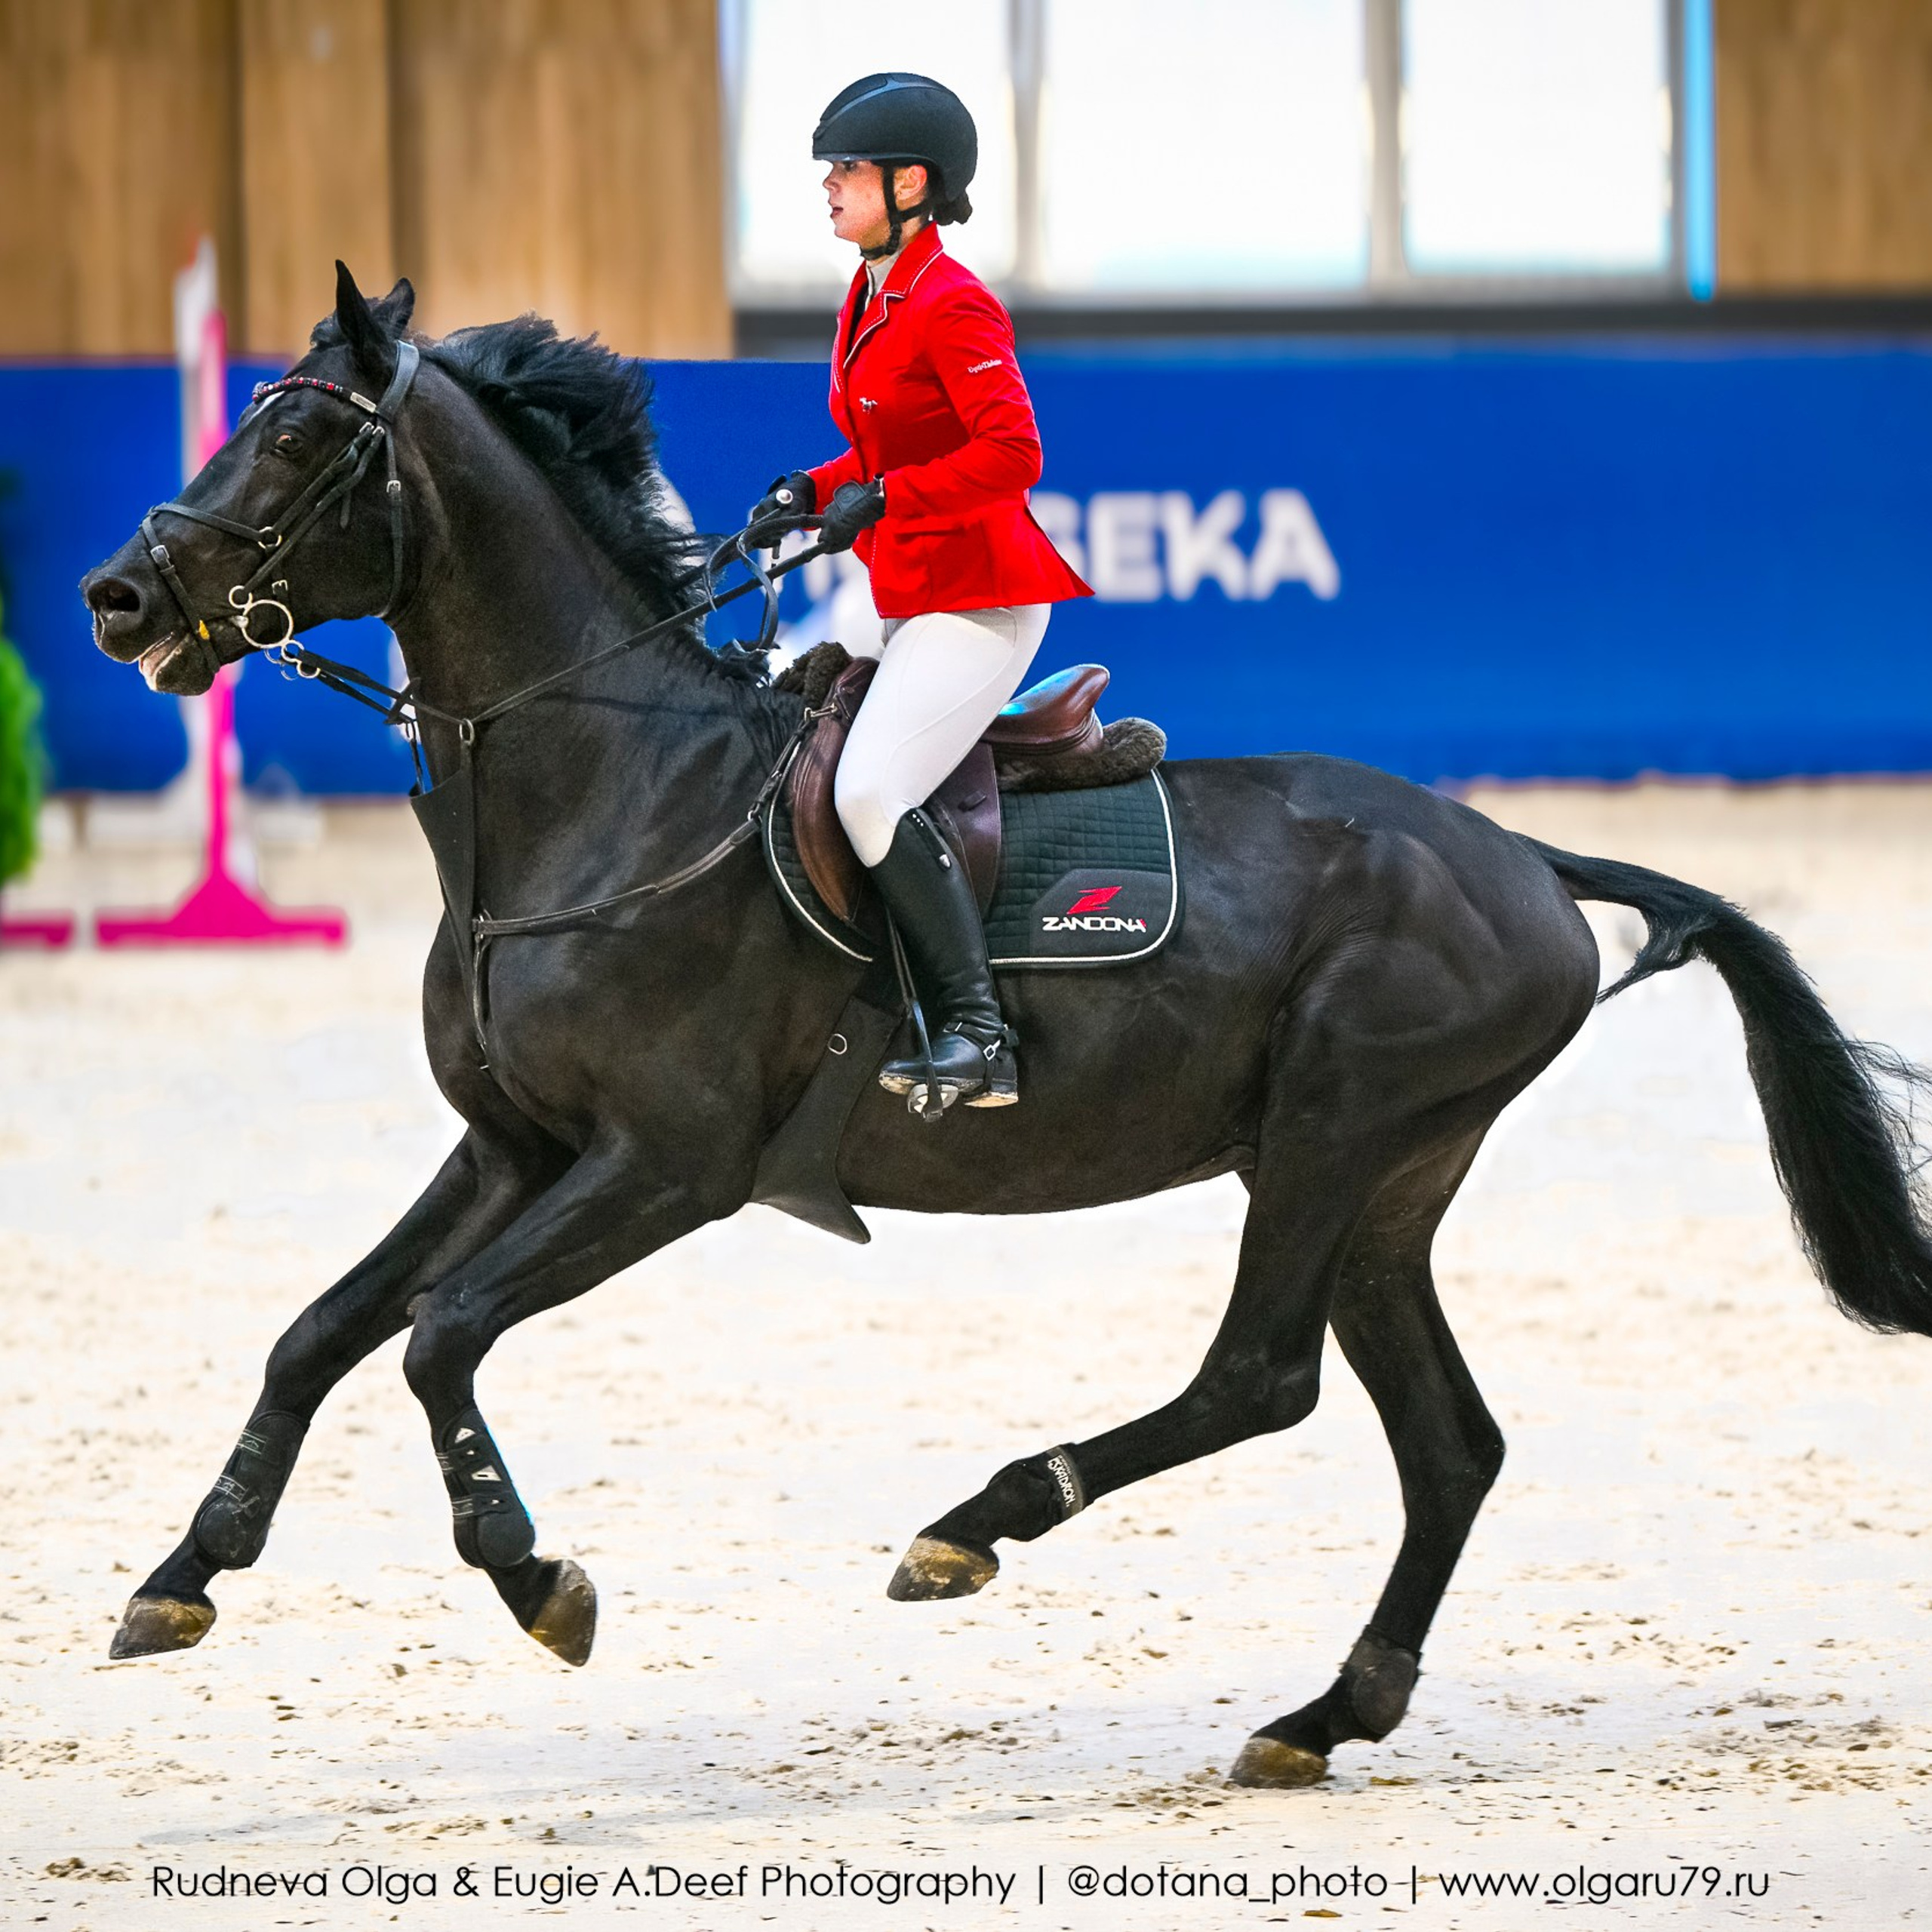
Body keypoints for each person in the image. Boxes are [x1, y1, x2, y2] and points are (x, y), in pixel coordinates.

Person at [753, 72, 1091, 1111]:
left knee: (867, 791)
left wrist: (884, 496)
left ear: (911, 182)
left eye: (846, 170)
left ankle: (978, 1033)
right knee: (769, 710)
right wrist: (807, 491)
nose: (830, 186)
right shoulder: (870, 292)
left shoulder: (954, 300)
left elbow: (1013, 453)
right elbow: (873, 445)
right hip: (904, 586)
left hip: (979, 598)